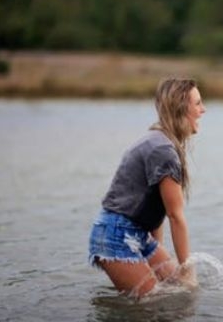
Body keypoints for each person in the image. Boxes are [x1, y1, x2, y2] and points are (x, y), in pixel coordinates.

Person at [88, 78, 206, 297]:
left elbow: (157, 208)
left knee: (181, 291)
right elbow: (175, 215)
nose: (203, 110)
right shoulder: (162, 150)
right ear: (181, 108)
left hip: (137, 234)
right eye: (198, 103)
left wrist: (155, 253)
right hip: (116, 235)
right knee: (155, 304)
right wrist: (186, 267)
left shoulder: (163, 142)